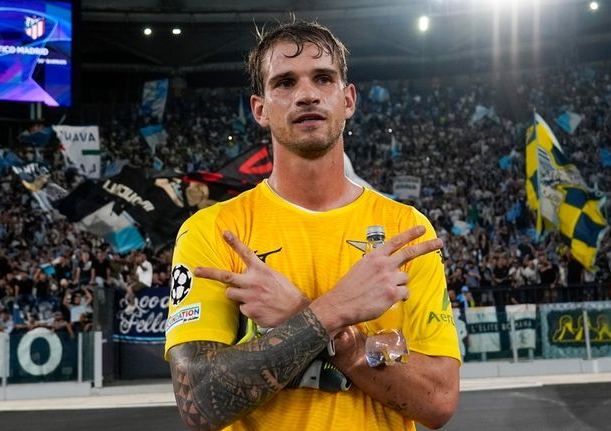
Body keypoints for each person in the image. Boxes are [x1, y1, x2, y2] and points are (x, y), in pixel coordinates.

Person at [165, 20, 460, 431]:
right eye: (284, 82)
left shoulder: (405, 230)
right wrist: (331, 312)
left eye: (323, 78)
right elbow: (198, 402)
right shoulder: (213, 229)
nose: (306, 94)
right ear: (260, 109)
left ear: (348, 99)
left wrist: (309, 321)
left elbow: (439, 401)